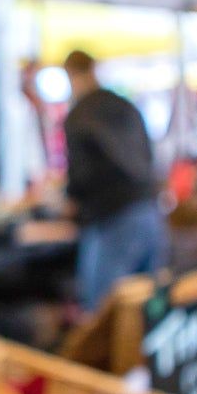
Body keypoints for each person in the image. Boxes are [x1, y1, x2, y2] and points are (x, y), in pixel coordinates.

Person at [61, 50, 166, 311]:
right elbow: (149, 155)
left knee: (102, 313)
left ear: (72, 74)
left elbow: (81, 174)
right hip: (150, 212)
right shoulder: (125, 105)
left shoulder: (79, 115)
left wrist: (71, 202)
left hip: (113, 220)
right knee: (149, 307)